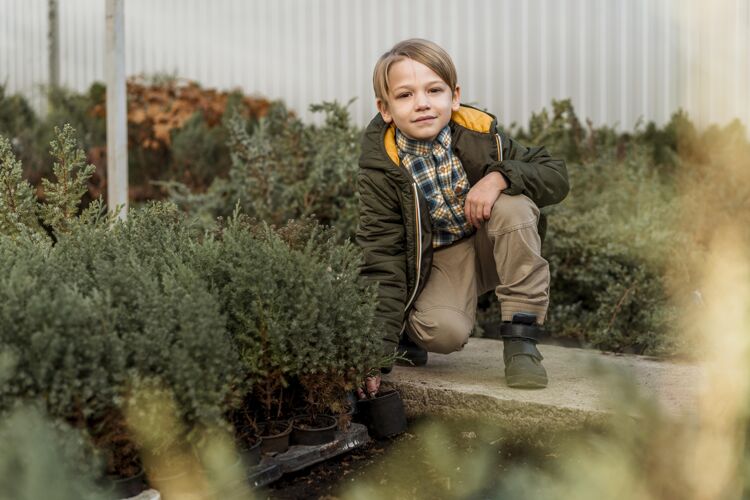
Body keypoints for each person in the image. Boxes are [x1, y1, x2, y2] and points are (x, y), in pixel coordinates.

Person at [356, 39, 568, 398]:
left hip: (492, 241)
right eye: (405, 95)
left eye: (433, 90)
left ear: (453, 96)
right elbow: (382, 259)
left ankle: (521, 342)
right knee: (443, 332)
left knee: (512, 206)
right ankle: (410, 330)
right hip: (442, 261)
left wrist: (498, 177)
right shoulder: (381, 169)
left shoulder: (481, 135)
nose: (422, 103)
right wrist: (375, 355)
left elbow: (555, 174)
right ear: (385, 108)